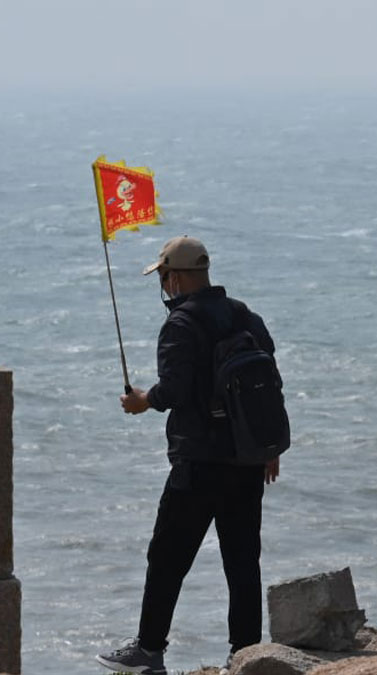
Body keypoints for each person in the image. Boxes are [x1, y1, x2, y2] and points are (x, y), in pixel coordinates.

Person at [97, 235, 281, 675]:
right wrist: (269, 447)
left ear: (175, 278)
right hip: (247, 459)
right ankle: (245, 654)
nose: (163, 285)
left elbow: (175, 391)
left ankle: (148, 651)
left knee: (167, 557)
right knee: (242, 561)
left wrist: (143, 400)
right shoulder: (245, 315)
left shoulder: (180, 325)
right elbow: (269, 383)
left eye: (162, 277)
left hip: (199, 463)